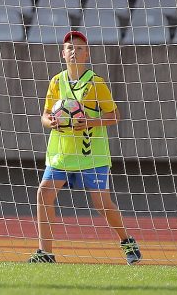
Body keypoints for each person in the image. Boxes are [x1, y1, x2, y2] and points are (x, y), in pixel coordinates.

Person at [29, 30, 141, 264]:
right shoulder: (56, 82)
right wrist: (50, 122)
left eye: (79, 48)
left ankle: (127, 241)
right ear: (63, 53)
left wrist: (88, 122)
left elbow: (115, 115)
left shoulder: (95, 83)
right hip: (61, 152)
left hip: (92, 154)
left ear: (86, 54)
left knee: (101, 203)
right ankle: (45, 253)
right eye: (70, 48)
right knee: (43, 193)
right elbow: (45, 115)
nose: (74, 51)